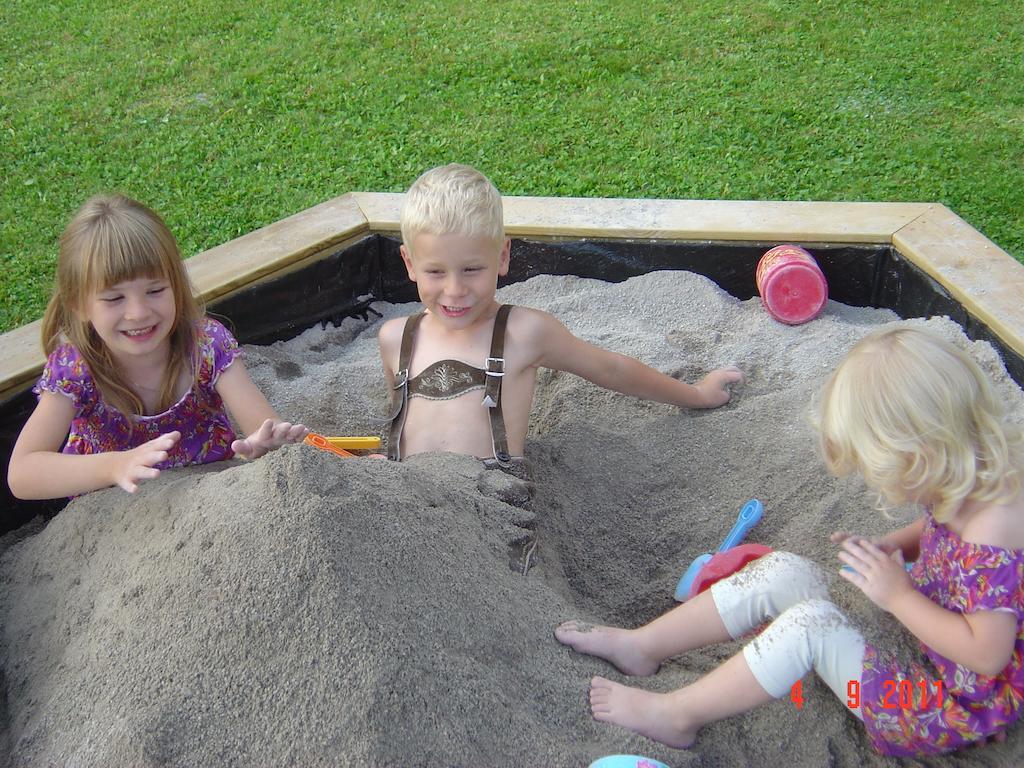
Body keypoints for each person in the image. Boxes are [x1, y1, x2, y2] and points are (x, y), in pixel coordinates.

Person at [554, 326, 1024, 757]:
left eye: (881, 471)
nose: (879, 485)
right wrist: (893, 546)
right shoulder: (965, 478)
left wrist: (897, 595)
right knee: (786, 569)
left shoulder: (993, 528)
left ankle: (676, 716)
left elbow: (987, 654)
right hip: (925, 646)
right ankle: (643, 646)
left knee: (810, 626)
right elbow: (941, 533)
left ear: (920, 452)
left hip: (928, 710)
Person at [378, 163, 743, 466]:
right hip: (411, 504)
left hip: (489, 510)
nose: (455, 290)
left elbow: (611, 369)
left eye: (472, 269)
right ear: (410, 263)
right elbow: (409, 433)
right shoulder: (396, 339)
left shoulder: (523, 333)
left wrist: (697, 394)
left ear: (502, 257)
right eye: (436, 272)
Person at [7, 194, 309, 499]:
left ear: (176, 288)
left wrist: (264, 443)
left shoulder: (206, 346)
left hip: (209, 498)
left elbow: (263, 427)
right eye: (114, 298)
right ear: (79, 305)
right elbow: (22, 474)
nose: (138, 312)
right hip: (111, 515)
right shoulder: (75, 369)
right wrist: (114, 466)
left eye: (155, 290)